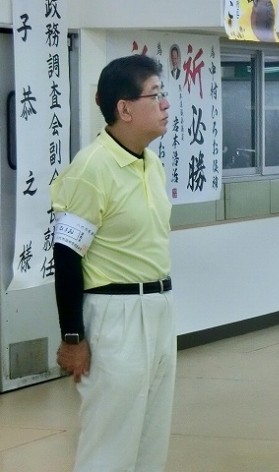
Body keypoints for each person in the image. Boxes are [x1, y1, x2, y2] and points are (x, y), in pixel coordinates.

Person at [51, 54, 176, 471]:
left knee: (150, 438)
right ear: (124, 109)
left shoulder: (152, 164)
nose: (165, 104)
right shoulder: (91, 168)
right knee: (110, 442)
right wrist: (72, 336)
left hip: (158, 307)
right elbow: (67, 256)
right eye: (154, 95)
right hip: (114, 316)